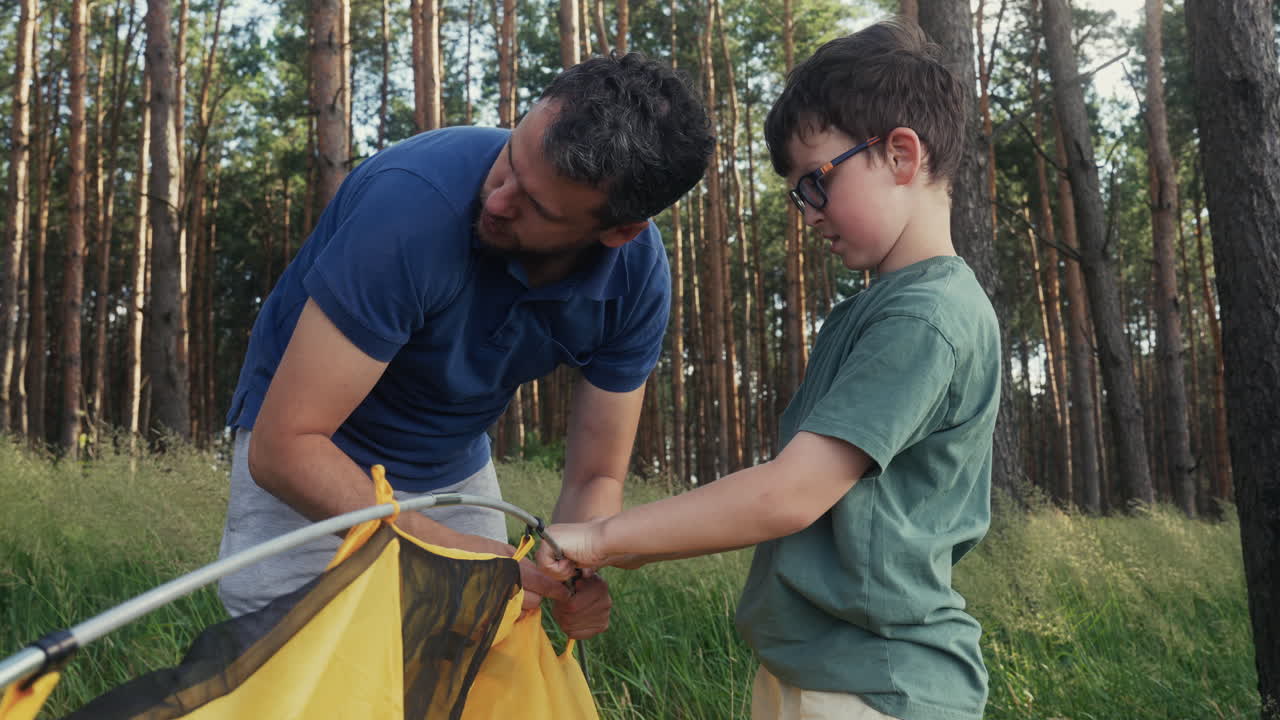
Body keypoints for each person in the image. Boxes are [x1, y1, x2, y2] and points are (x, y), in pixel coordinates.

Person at [537, 19, 1000, 720]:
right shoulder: (879, 309)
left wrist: (603, 537)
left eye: (816, 184)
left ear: (901, 155)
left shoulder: (924, 318)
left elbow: (790, 494)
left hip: (876, 687)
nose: (807, 214)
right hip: (817, 672)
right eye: (797, 195)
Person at [216, 52, 714, 641]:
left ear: (618, 232)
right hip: (317, 451)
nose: (498, 199)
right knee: (314, 664)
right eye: (510, 158)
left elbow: (594, 478)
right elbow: (283, 450)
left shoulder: (635, 285)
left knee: (475, 658)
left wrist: (573, 576)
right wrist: (470, 559)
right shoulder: (409, 209)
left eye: (536, 206)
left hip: (451, 461)